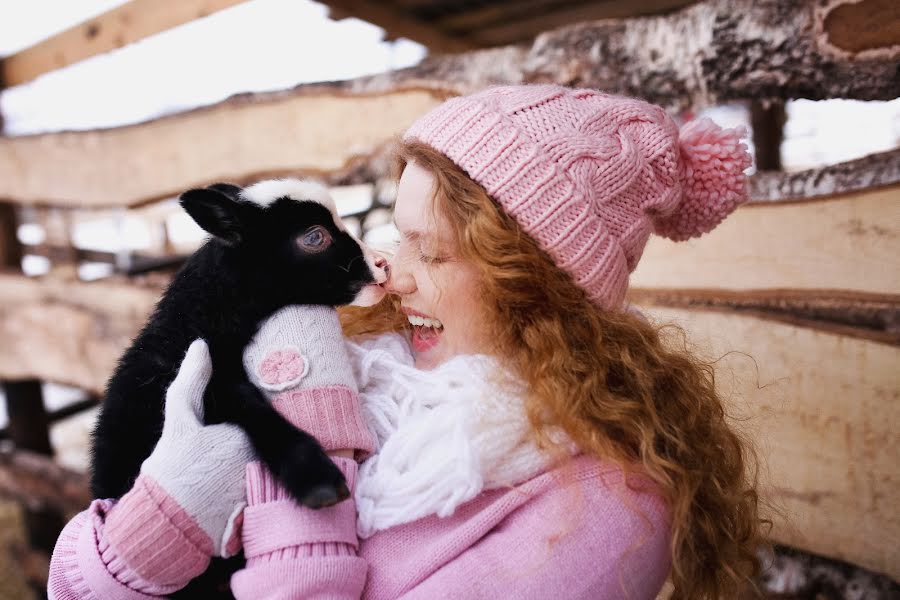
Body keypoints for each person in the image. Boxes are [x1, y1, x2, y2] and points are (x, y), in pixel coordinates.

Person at [49, 85, 764, 599]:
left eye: (434, 252)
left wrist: (305, 508)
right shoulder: (353, 376)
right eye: (398, 236)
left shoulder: (609, 510)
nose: (389, 271)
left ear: (541, 287)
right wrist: (159, 518)